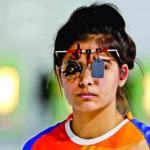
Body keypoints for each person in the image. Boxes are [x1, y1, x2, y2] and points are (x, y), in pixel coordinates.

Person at [23, 3, 150, 150]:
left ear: (122, 75)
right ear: (60, 74)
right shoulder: (38, 146)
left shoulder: (144, 143)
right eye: (72, 68)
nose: (86, 80)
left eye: (99, 67)